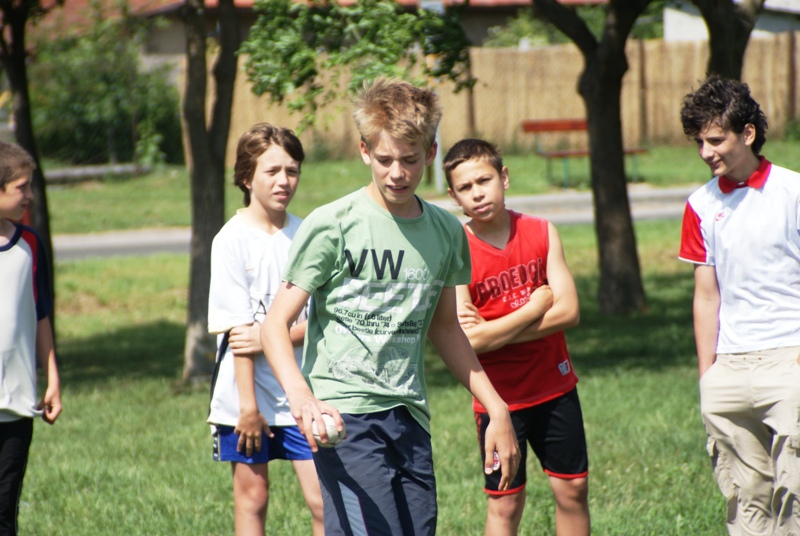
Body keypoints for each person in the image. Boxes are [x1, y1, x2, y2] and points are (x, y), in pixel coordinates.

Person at [260, 76, 520, 536]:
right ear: (364, 151)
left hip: (409, 416)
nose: (396, 173)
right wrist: (302, 397)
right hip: (344, 416)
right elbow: (275, 324)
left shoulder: (446, 232)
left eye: (410, 159)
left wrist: (497, 408)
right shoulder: (333, 224)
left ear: (431, 154)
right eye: (384, 160)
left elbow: (445, 328)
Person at [443, 139, 590, 536]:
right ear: (454, 197)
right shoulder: (456, 250)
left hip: (555, 386)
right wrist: (533, 307)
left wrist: (494, 330)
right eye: (465, 187)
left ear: (504, 178)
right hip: (497, 401)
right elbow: (469, 342)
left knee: (573, 489)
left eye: (484, 180)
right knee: (505, 502)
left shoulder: (542, 232)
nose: (477, 193)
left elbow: (569, 312)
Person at [679, 74, 800, 535]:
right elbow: (706, 294)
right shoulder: (700, 205)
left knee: (794, 494)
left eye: (715, 140)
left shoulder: (793, 192)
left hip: (788, 358)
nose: (705, 152)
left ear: (747, 133)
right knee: (745, 499)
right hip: (728, 366)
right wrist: (707, 375)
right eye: (699, 142)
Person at [207, 124, 323, 536]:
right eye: (271, 171)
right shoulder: (230, 240)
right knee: (252, 499)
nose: (283, 181)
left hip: (303, 392)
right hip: (246, 398)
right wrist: (248, 409)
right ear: (246, 177)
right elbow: (239, 336)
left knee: (323, 500)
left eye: (292, 171)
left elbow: (323, 319)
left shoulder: (309, 233)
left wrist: (271, 336)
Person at [0, 141, 62, 536]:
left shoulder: (31, 244)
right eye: (21, 187)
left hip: (16, 406)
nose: (29, 196)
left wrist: (52, 378)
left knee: (4, 512)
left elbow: (40, 316)